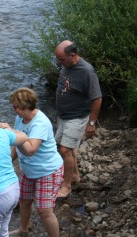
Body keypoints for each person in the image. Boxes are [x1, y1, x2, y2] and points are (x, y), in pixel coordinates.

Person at [0, 87, 64, 237]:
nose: (14, 110)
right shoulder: (21, 118)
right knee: (25, 200)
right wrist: (7, 162)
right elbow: (16, 144)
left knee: (44, 210)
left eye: (15, 107)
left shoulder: (40, 123)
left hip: (47, 171)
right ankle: (23, 229)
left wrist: (10, 131)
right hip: (29, 170)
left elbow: (30, 150)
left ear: (25, 106)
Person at [54, 40, 102, 198]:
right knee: (63, 146)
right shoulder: (66, 65)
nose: (59, 62)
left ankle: (66, 186)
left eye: (61, 59)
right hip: (63, 115)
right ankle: (74, 175)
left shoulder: (86, 71)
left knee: (65, 149)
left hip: (77, 116)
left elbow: (97, 98)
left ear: (72, 55)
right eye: (58, 59)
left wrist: (92, 123)